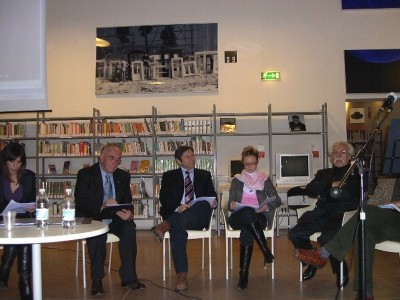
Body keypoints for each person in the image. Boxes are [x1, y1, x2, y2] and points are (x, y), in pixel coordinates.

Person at [75, 143, 145, 296]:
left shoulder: (123, 176)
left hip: (115, 217)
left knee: (129, 228)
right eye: (111, 158)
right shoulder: (86, 174)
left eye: (118, 160)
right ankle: (97, 280)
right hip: (93, 216)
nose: (115, 163)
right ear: (101, 156)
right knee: (97, 233)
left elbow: (128, 201)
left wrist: (129, 213)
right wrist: (102, 205)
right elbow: (81, 202)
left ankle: (129, 277)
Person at [294, 199, 400, 300]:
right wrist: (386, 205)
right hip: (384, 220)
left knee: (366, 211)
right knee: (363, 232)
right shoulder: (387, 180)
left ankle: (323, 254)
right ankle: (365, 292)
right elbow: (374, 200)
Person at [288, 141, 360, 288]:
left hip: (341, 214)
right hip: (320, 213)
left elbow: (347, 195)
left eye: (343, 152)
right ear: (330, 156)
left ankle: (341, 270)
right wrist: (330, 186)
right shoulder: (324, 173)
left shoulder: (355, 174)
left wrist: (325, 191)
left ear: (350, 156)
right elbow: (310, 189)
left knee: (326, 238)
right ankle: (314, 262)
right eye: (335, 152)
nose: (338, 155)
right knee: (295, 234)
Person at [150, 145, 217, 293]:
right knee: (177, 230)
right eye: (187, 156)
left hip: (198, 218)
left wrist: (213, 201)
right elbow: (164, 199)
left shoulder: (204, 175)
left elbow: (213, 196)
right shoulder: (169, 175)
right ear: (178, 161)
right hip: (177, 213)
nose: (192, 159)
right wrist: (178, 207)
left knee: (201, 204)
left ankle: (165, 225)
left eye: (193, 155)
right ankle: (182, 276)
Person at [228, 145, 281, 289]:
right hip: (238, 216)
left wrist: (267, 206)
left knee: (248, 226)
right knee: (246, 212)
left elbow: (277, 199)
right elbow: (230, 203)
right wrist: (232, 204)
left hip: (258, 217)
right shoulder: (237, 180)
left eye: (253, 163)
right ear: (243, 164)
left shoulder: (265, 179)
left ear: (257, 162)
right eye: (246, 164)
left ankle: (243, 276)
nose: (250, 166)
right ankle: (266, 251)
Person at [0, 143, 36, 300]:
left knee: (23, 237)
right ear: (4, 161)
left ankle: (15, 275)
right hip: (2, 221)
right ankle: (24, 280)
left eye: (19, 162)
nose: (15, 166)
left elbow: (31, 200)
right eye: (11, 161)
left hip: (23, 219)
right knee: (19, 237)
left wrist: (31, 207)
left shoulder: (29, 176)